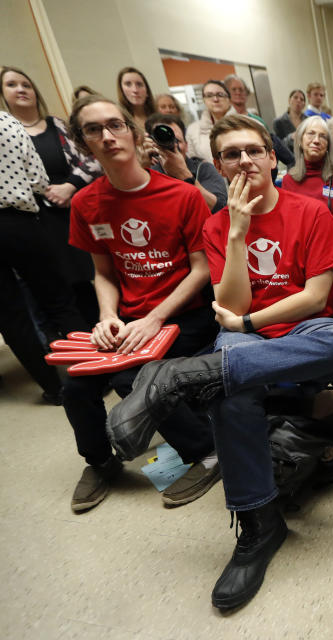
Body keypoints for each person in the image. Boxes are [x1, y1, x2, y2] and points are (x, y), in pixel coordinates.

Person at [106, 114, 333, 610]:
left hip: (308, 334)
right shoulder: (217, 225)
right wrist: (238, 235)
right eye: (230, 154)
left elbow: (314, 298)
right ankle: (259, 525)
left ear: (272, 157)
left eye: (253, 150)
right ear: (219, 166)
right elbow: (235, 304)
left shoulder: (310, 212)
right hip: (249, 338)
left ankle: (182, 377)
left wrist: (247, 326)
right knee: (231, 388)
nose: (244, 160)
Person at [64, 95, 220, 512]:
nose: (107, 136)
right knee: (74, 385)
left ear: (133, 133)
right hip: (130, 317)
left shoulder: (180, 196)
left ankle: (208, 452)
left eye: (115, 125)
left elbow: (202, 269)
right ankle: (100, 462)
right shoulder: (86, 204)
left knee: (135, 379)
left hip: (184, 315)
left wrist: (154, 318)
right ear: (83, 142)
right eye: (93, 129)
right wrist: (108, 316)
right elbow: (104, 272)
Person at [2, 66, 102, 323]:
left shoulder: (58, 125)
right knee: (51, 290)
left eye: (26, 84)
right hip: (31, 219)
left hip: (68, 212)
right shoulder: (6, 131)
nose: (22, 89)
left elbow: (92, 159)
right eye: (12, 85)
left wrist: (70, 186)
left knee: (84, 284)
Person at [0, 111, 88, 403]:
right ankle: (92, 371)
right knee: (59, 299)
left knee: (11, 315)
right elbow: (38, 178)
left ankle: (53, 387)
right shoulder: (8, 123)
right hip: (20, 221)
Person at [280, 115, 333, 250]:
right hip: (301, 248)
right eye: (311, 134)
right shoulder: (288, 180)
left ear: (327, 146)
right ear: (300, 141)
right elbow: (288, 223)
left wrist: (316, 238)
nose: (316, 140)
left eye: (323, 136)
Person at [143, 112, 228, 211]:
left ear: (186, 145)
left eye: (177, 140)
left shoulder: (203, 168)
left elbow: (219, 209)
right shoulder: (147, 171)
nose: (171, 144)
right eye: (161, 140)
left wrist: (184, 174)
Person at [186, 80, 234, 164]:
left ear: (229, 99)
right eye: (209, 95)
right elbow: (193, 162)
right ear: (204, 100)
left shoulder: (249, 123)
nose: (215, 99)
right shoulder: (193, 130)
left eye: (220, 95)